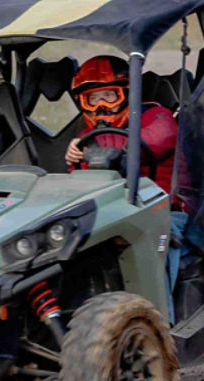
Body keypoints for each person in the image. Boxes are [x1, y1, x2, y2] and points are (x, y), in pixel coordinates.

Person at [63, 55, 189, 298]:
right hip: (114, 215)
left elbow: (153, 142)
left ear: (127, 94)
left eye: (109, 96)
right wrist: (74, 159)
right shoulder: (86, 136)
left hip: (166, 213)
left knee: (153, 245)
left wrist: (99, 152)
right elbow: (83, 186)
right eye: (93, 99)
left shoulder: (158, 117)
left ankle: (160, 319)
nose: (101, 106)